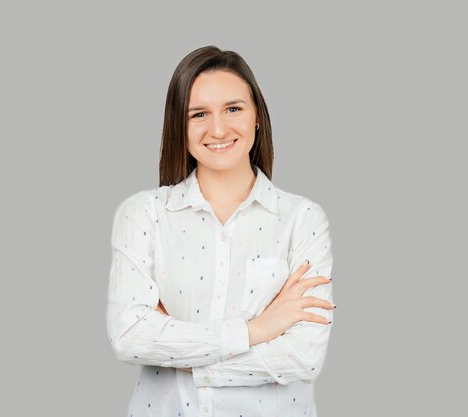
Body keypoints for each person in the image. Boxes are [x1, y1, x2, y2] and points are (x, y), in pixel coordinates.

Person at [106, 45, 336, 417]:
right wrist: (258, 329)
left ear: (257, 115)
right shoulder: (144, 215)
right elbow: (130, 337)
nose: (218, 129)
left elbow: (303, 356)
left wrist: (184, 359)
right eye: (199, 114)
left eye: (233, 109)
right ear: (178, 126)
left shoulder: (302, 218)